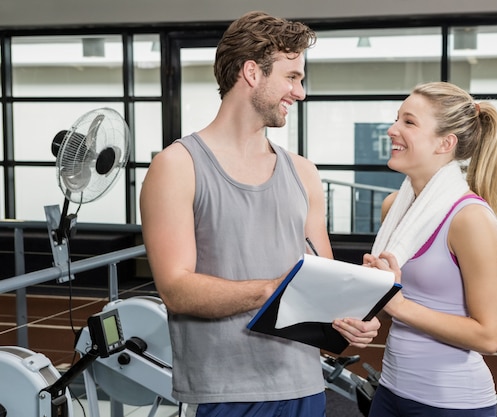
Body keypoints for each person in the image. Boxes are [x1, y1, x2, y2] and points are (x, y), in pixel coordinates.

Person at [139, 11, 380, 417]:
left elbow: (323, 281)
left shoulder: (303, 172)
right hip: (224, 394)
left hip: (305, 385)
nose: (300, 92)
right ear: (252, 72)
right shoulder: (177, 166)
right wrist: (270, 290)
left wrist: (354, 314)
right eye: (292, 77)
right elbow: (176, 289)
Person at [362, 81, 497, 417]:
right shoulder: (393, 206)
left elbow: (489, 336)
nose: (392, 129)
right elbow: (390, 305)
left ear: (446, 142)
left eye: (409, 122)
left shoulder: (470, 219)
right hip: (391, 390)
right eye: (397, 118)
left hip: (452, 403)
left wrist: (397, 306)